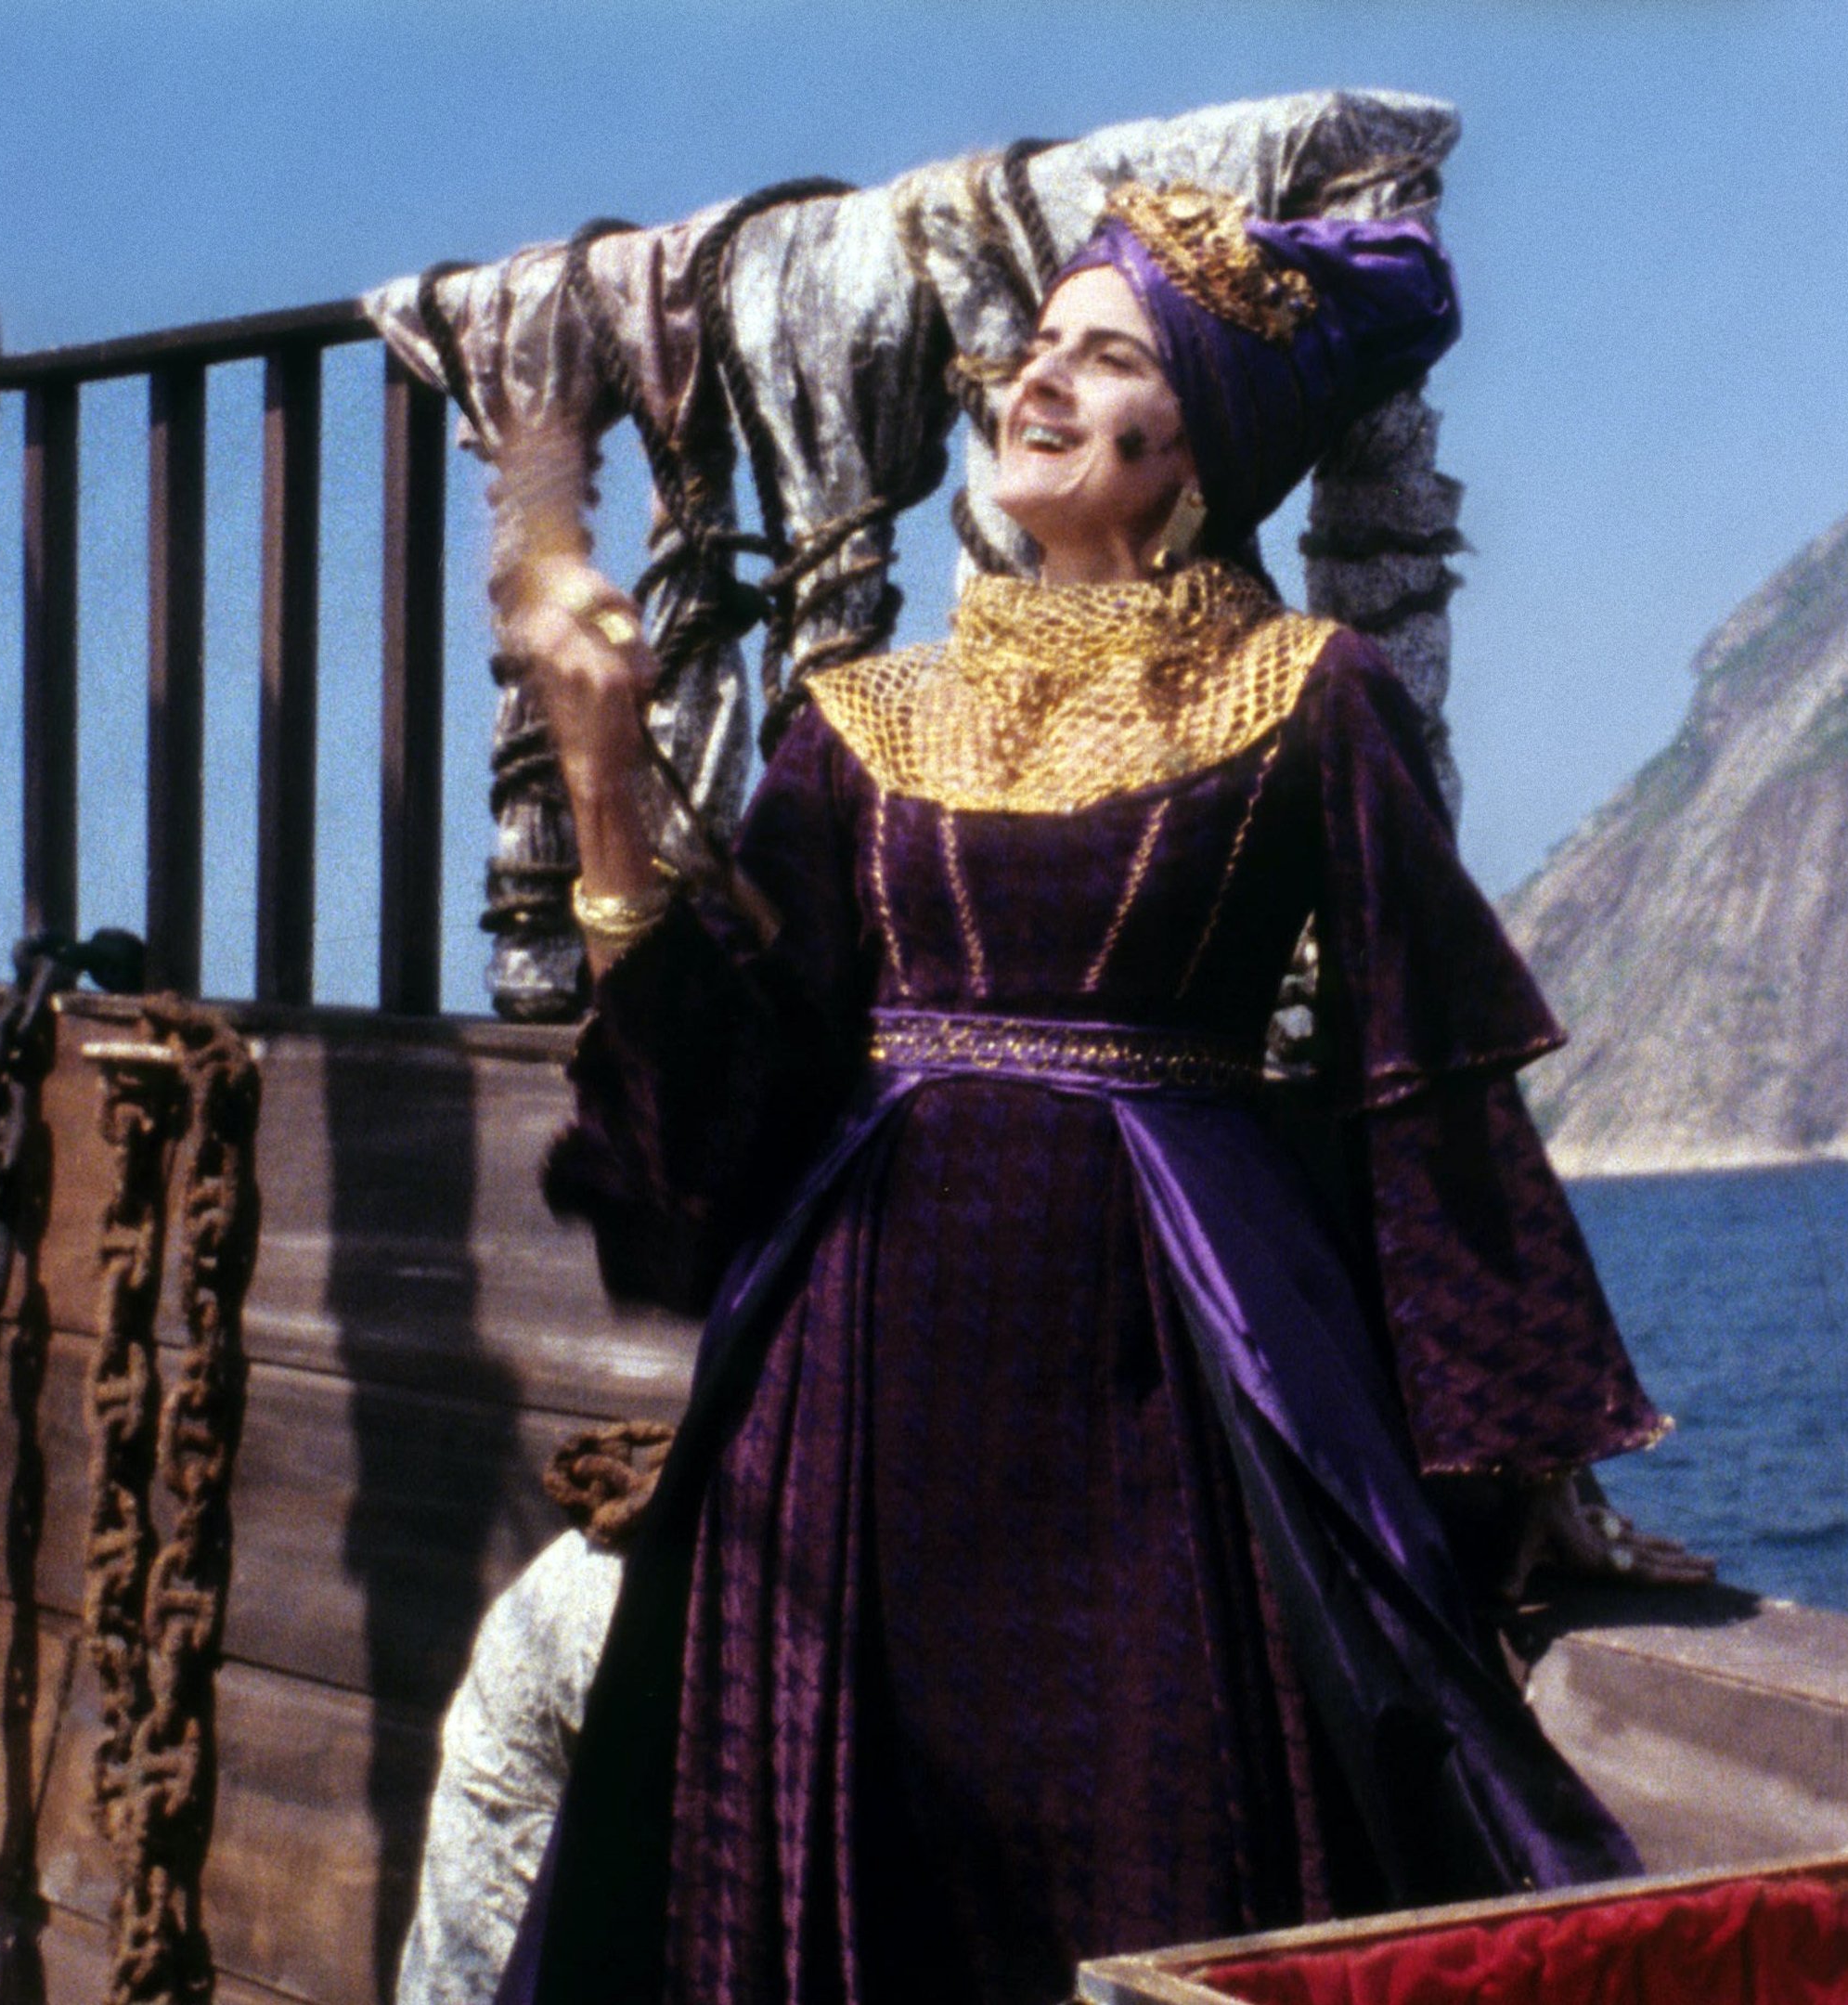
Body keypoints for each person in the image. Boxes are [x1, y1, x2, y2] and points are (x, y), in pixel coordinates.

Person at [497, 182, 1678, 2005]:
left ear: (1197, 448)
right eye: (1036, 346)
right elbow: (710, 1117)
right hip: (844, 1418)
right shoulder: (858, 720)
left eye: (1107, 357)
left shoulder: (1310, 698)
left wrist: (1524, 1458)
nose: (1037, 381)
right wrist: (599, 779)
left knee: (1161, 1883)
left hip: (1161, 1400)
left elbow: (1424, 1089)